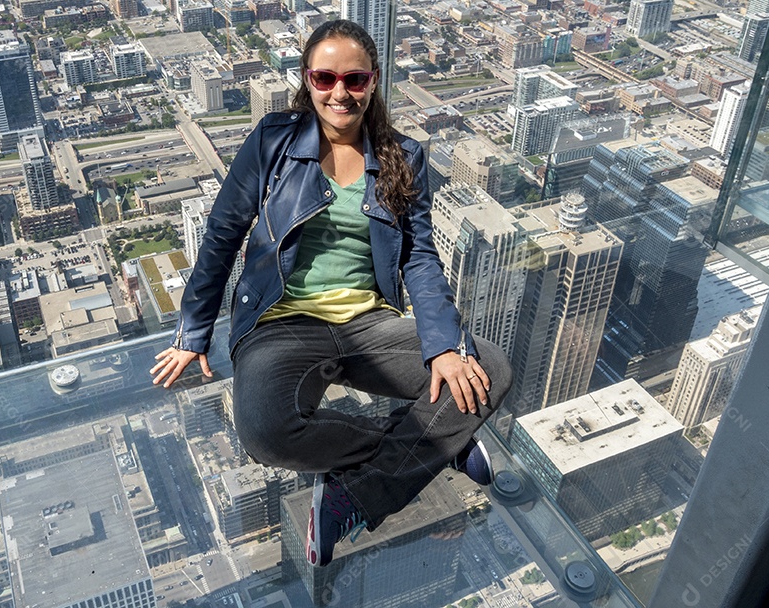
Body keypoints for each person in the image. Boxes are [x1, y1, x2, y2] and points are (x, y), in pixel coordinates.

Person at [151, 19, 512, 568]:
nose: (339, 92)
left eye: (354, 79)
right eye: (325, 78)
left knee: (487, 368)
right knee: (266, 433)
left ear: (372, 82)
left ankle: (356, 495)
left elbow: (419, 258)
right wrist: (192, 332)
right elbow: (222, 234)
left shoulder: (404, 156)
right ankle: (438, 445)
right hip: (281, 322)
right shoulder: (272, 142)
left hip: (369, 325)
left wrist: (442, 345)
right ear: (307, 80)